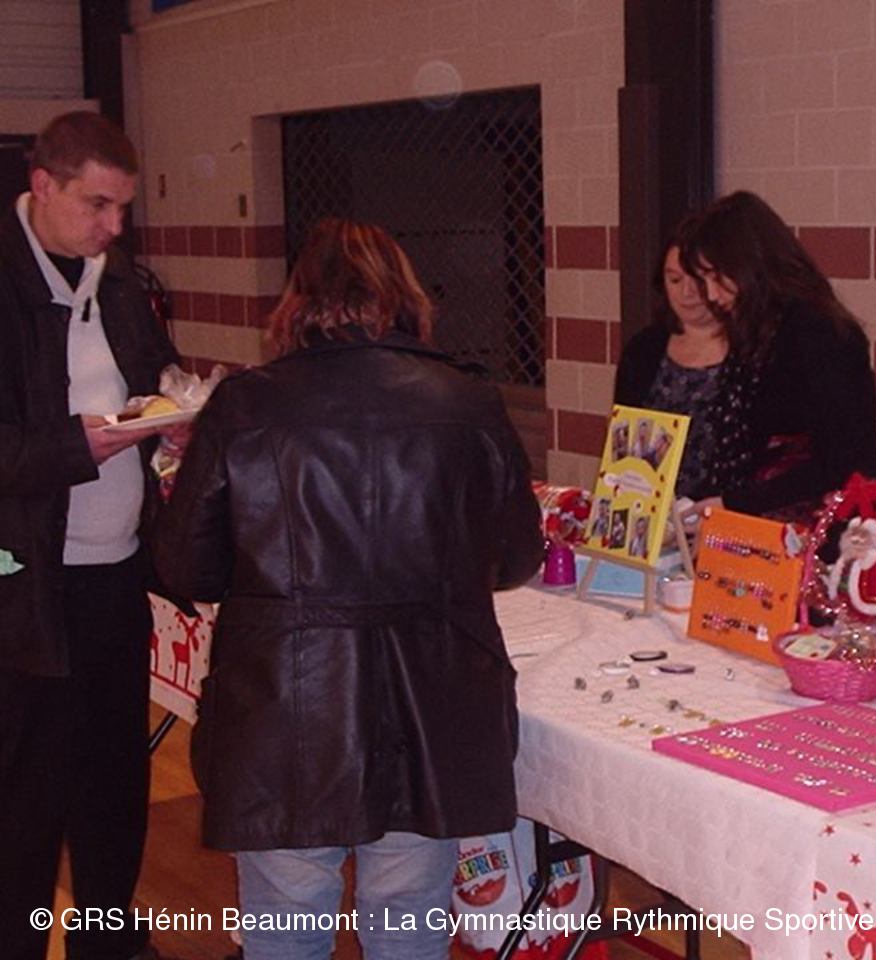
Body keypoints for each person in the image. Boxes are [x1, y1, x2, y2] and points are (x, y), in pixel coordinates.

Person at [153, 218, 543, 960]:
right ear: (404, 296)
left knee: (287, 921)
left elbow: (187, 569)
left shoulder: (245, 406)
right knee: (407, 918)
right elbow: (517, 556)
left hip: (286, 709)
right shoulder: (468, 401)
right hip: (428, 705)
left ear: (297, 302)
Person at [0, 111, 181, 960]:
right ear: (43, 186)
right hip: (24, 587)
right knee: (27, 797)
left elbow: (152, 377)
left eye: (123, 208)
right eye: (97, 205)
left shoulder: (117, 284)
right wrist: (77, 447)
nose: (114, 226)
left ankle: (110, 940)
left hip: (115, 574)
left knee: (114, 782)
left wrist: (170, 417)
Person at [618, 192, 876, 520]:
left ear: (750, 266)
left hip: (837, 518)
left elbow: (843, 456)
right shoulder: (754, 329)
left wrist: (735, 502)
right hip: (768, 515)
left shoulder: (819, 332)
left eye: (715, 277)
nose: (710, 294)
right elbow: (737, 451)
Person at [614, 216, 728, 501]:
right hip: (652, 508)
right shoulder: (645, 348)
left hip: (722, 510)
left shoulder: (749, 349)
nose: (686, 292)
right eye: (675, 279)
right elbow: (623, 440)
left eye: (697, 280)